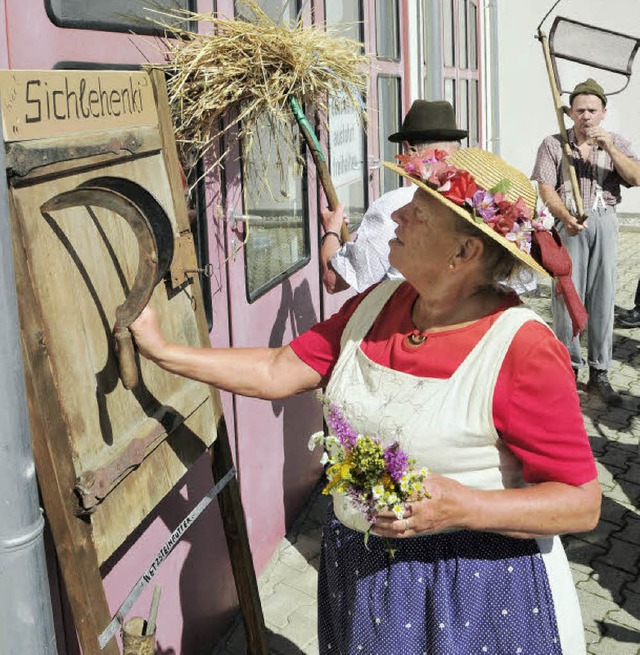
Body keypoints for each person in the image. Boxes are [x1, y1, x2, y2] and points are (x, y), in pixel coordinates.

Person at [130, 148, 600, 654]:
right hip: (362, 570)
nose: (396, 215)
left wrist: (464, 506)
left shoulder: (521, 348)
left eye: (417, 212)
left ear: (464, 253)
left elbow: (581, 503)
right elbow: (276, 369)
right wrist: (165, 353)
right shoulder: (376, 305)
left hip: (470, 595)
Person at [531, 78, 640, 404]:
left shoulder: (616, 142)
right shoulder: (553, 144)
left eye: (593, 110)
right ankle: (567, 368)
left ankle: (600, 373)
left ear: (603, 112)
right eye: (580, 111)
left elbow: (635, 178)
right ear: (570, 113)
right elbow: (546, 189)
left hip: (605, 220)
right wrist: (564, 217)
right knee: (566, 297)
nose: (586, 117)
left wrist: (609, 148)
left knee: (604, 298)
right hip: (569, 225)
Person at [320, 99, 467, 293]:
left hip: (407, 319)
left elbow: (334, 281)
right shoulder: (476, 203)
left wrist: (331, 230)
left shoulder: (395, 206)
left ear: (408, 149)